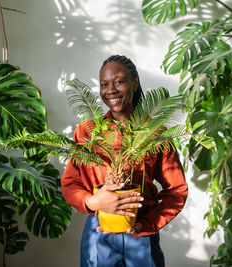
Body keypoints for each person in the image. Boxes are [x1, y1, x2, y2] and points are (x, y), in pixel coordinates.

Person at [61, 55, 188, 267]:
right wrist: (92, 202)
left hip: (140, 233)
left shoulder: (155, 133)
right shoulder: (87, 132)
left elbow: (176, 190)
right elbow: (70, 183)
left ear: (135, 82)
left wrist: (147, 224)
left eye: (118, 81)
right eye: (104, 84)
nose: (110, 90)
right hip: (99, 231)